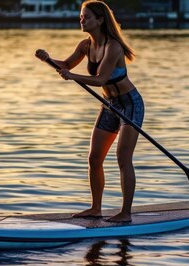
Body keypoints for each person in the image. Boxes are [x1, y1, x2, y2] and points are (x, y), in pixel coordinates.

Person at [35, 0, 144, 223]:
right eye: (81, 16)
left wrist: (72, 76)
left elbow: (101, 79)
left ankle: (126, 213)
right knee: (94, 158)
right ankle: (96, 208)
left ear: (100, 20)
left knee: (123, 158)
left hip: (130, 103)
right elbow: (66, 65)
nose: (81, 19)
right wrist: (48, 60)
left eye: (86, 16)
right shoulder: (85, 45)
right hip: (109, 105)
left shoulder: (113, 46)